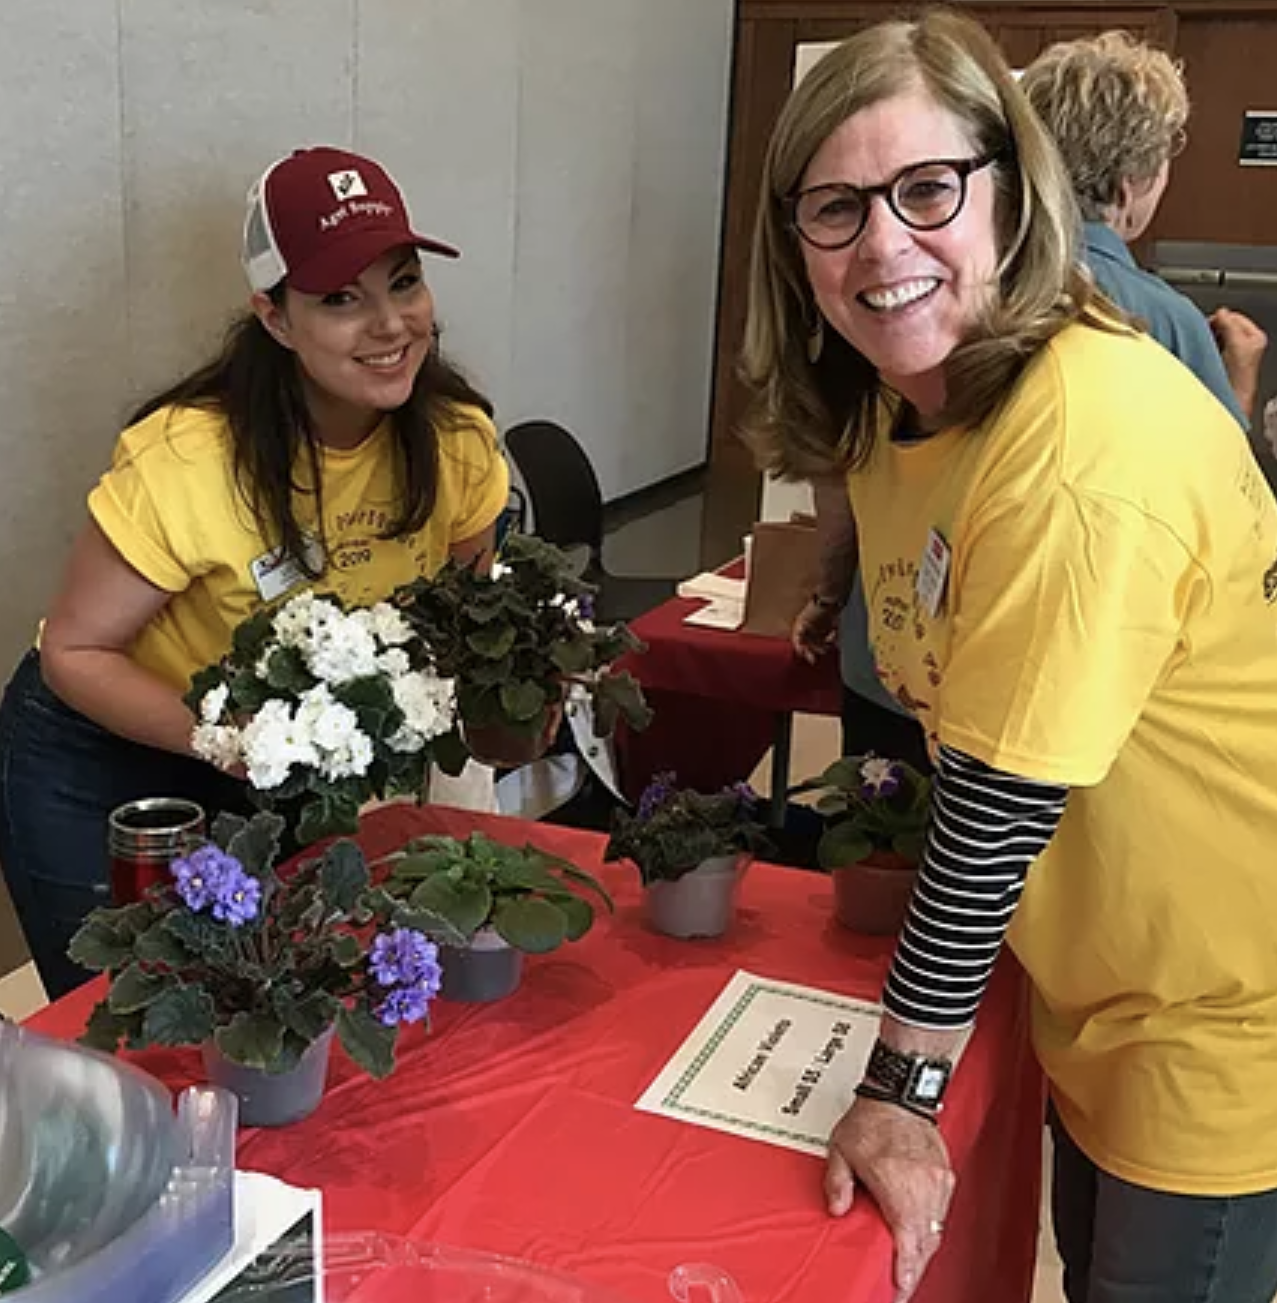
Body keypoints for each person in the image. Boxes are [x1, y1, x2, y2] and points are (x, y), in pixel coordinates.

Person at [743, 10, 1277, 1303]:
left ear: (1012, 191)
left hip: (1219, 1014)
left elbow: (995, 804)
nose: (883, 245)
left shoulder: (1082, 442)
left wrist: (899, 1089)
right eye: (834, 208)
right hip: (1096, 977)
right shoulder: (908, 397)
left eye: (927, 189)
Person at [0, 146, 509, 1000]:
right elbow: (76, 653)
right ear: (273, 318)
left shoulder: (455, 442)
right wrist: (231, 742)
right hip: (104, 753)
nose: (390, 325)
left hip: (277, 765)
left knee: (285, 1008)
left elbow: (465, 634)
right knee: (139, 1021)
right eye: (340, 298)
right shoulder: (191, 456)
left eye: (404, 281)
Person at [1021, 31, 1267, 425]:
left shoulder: (977, 275)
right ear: (1130, 187)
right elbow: (1214, 472)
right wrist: (1240, 383)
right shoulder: (1167, 320)